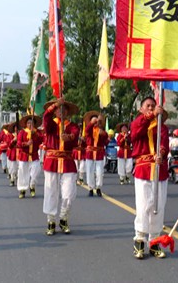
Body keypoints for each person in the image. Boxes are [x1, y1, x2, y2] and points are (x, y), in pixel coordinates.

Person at [130, 96, 170, 260]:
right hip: (144, 169)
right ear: (141, 109)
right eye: (148, 106)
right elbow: (136, 133)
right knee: (143, 206)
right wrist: (150, 116)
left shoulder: (162, 128)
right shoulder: (138, 122)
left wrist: (161, 153)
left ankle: (154, 241)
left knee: (158, 206)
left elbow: (164, 144)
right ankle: (139, 240)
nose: (151, 108)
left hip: (159, 170)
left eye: (153, 105)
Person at [41, 97, 81, 236]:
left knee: (69, 193)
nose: (61, 111)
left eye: (64, 109)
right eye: (59, 109)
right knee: (51, 191)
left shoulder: (73, 126)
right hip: (52, 161)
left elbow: (75, 136)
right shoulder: (51, 124)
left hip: (67, 161)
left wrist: (69, 138)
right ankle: (51, 220)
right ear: (55, 111)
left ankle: (64, 218)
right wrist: (54, 105)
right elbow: (45, 118)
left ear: (68, 112)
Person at [83, 110, 109, 197]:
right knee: (89, 171)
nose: (96, 122)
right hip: (90, 153)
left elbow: (106, 140)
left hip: (99, 153)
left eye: (97, 121)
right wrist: (92, 123)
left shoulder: (101, 130)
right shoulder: (89, 129)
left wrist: (103, 134)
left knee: (99, 172)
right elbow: (87, 130)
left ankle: (98, 187)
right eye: (94, 121)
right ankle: (90, 188)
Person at [16, 114, 43, 199]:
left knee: (36, 172)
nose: (30, 125)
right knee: (22, 173)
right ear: (26, 124)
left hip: (34, 156)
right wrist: (26, 144)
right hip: (24, 156)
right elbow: (18, 144)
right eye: (28, 123)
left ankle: (32, 186)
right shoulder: (22, 132)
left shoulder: (37, 132)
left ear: (34, 124)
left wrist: (35, 134)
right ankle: (22, 190)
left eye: (32, 123)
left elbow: (42, 139)